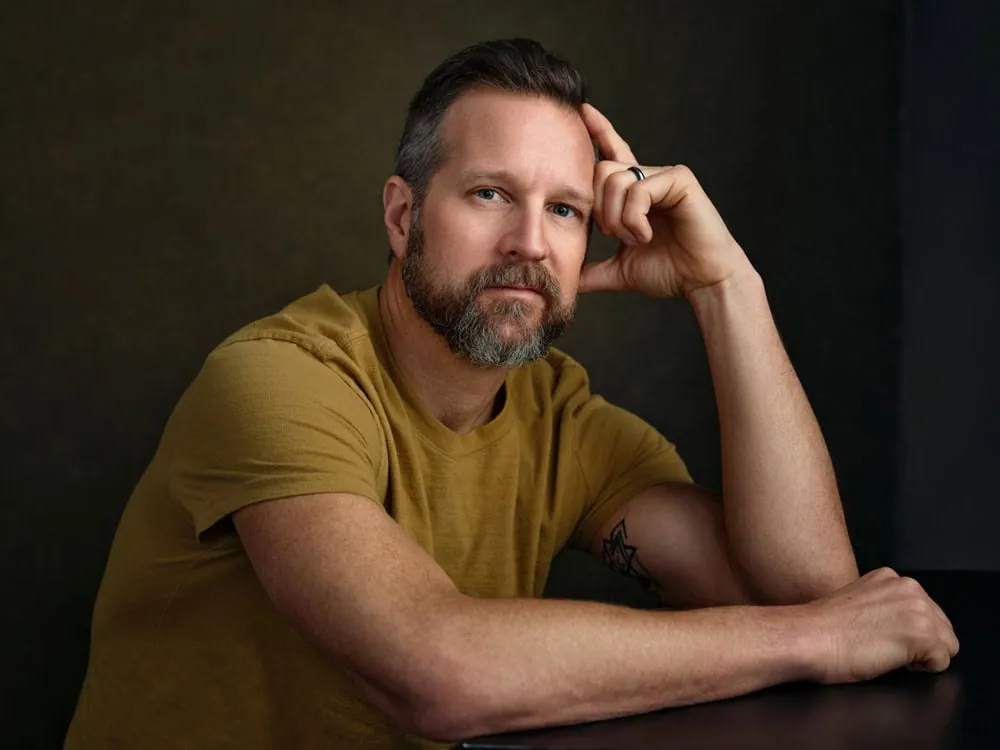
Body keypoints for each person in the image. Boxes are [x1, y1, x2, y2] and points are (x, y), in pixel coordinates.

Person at [64, 38, 959, 749]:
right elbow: (436, 672)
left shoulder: (560, 421)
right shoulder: (278, 379)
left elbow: (807, 592)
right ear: (402, 215)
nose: (530, 242)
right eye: (491, 193)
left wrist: (728, 288)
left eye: (565, 210)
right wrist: (816, 643)